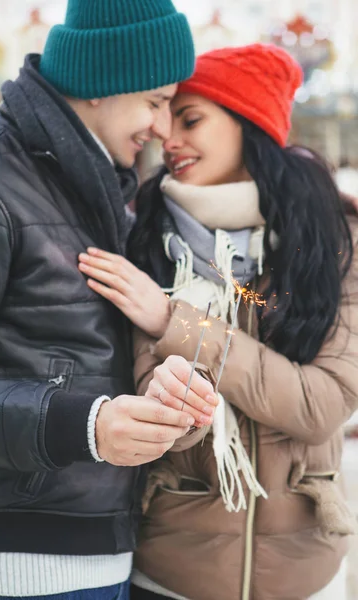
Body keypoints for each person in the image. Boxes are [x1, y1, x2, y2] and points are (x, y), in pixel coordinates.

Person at [0, 2, 220, 599]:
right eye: (155, 101)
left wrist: (164, 399)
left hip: (102, 560)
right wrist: (88, 425)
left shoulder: (108, 195)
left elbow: (86, 357)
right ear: (102, 84)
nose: (162, 127)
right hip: (4, 571)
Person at [78, 44, 358, 600]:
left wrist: (174, 322)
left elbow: (322, 404)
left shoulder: (336, 239)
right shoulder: (147, 240)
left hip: (305, 574)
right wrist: (178, 410)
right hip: (171, 574)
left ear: (249, 121)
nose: (168, 138)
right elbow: (165, 427)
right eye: (165, 118)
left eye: (191, 119)